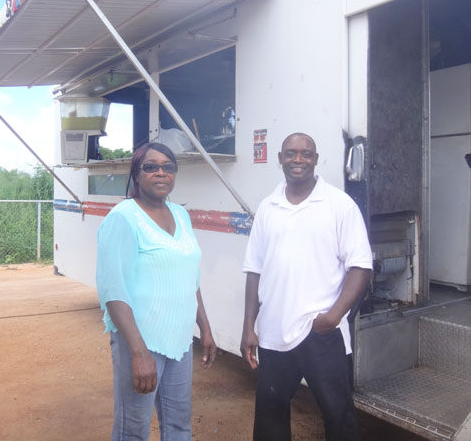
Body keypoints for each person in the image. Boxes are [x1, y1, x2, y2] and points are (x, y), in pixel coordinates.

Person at [240, 133, 373, 441]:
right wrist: (249, 327)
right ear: (280, 159)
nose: (297, 160)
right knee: (270, 419)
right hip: (273, 332)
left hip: (322, 334)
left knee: (339, 417)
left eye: (305, 154)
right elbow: (254, 270)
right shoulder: (268, 207)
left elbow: (361, 267)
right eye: (290, 154)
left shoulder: (338, 204)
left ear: (316, 159)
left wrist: (333, 317)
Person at [96, 142, 216, 441]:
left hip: (179, 340)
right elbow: (114, 291)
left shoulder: (181, 215)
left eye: (168, 166)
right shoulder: (123, 217)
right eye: (151, 166)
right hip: (140, 341)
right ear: (137, 174)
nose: (161, 172)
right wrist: (139, 353)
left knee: (178, 426)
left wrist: (206, 328)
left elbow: (191, 279)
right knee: (133, 430)